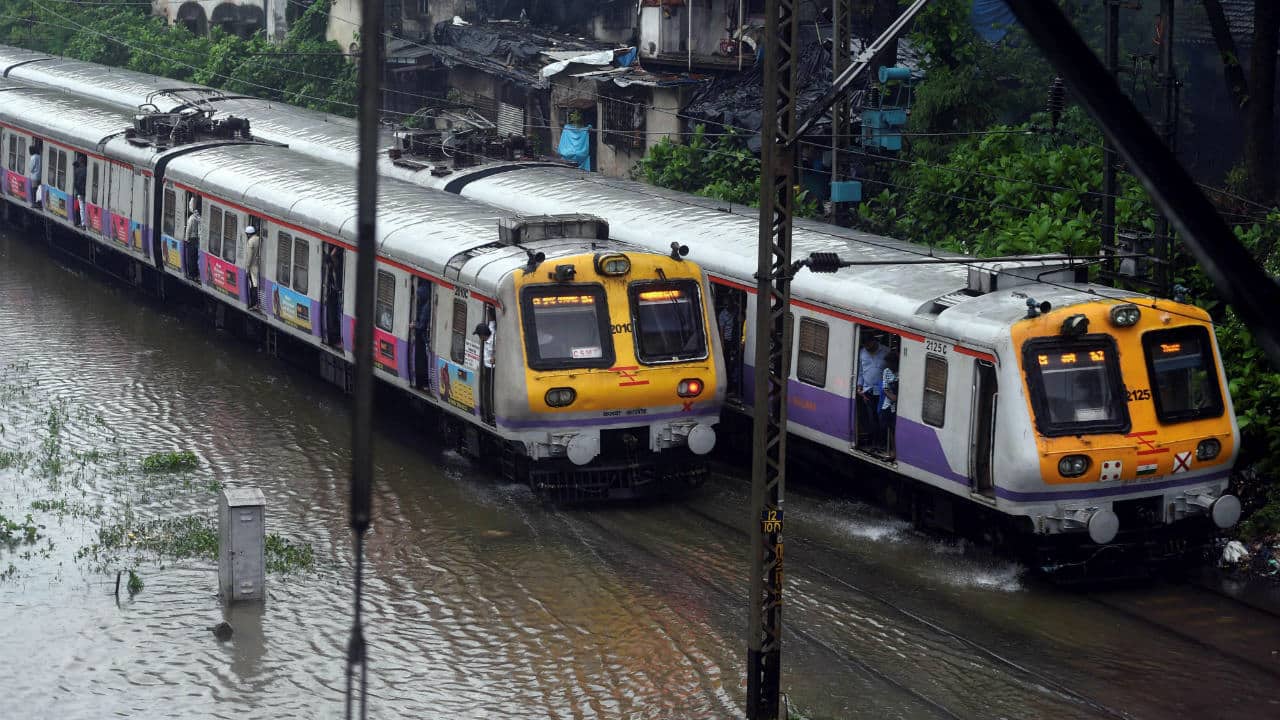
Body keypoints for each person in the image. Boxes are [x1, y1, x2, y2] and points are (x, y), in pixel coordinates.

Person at [856, 333, 889, 448]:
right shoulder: (862, 353)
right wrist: (859, 386)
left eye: (869, 345)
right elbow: (860, 371)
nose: (868, 348)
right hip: (868, 390)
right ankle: (874, 442)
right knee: (871, 418)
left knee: (882, 417)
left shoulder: (886, 351)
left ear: (874, 341)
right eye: (866, 346)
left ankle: (882, 442)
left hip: (882, 391)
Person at [878, 353, 899, 457]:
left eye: (890, 363)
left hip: (898, 406)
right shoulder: (886, 371)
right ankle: (892, 450)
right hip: (888, 404)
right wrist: (893, 398)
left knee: (896, 428)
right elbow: (885, 389)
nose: (889, 366)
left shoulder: (900, 372)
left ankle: (895, 451)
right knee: (890, 428)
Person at [244, 225, 262, 309]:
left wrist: (247, 268)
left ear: (248, 234)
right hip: (258, 265)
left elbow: (249, 257)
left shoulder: (250, 242)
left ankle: (253, 303)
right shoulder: (259, 239)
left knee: (253, 285)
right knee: (256, 284)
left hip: (252, 266)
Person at [184, 197, 201, 281]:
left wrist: (186, 239)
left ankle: (191, 274)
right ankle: (196, 274)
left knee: (190, 258)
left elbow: (188, 230)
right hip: (197, 239)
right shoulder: (199, 218)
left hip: (191, 239)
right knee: (195, 258)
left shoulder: (191, 218)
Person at [72, 154, 86, 226]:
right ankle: (80, 222)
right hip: (84, 192)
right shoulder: (86, 170)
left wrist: (77, 191)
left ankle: (80, 223)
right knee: (82, 208)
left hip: (79, 193)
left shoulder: (77, 171)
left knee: (80, 208)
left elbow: (75, 183)